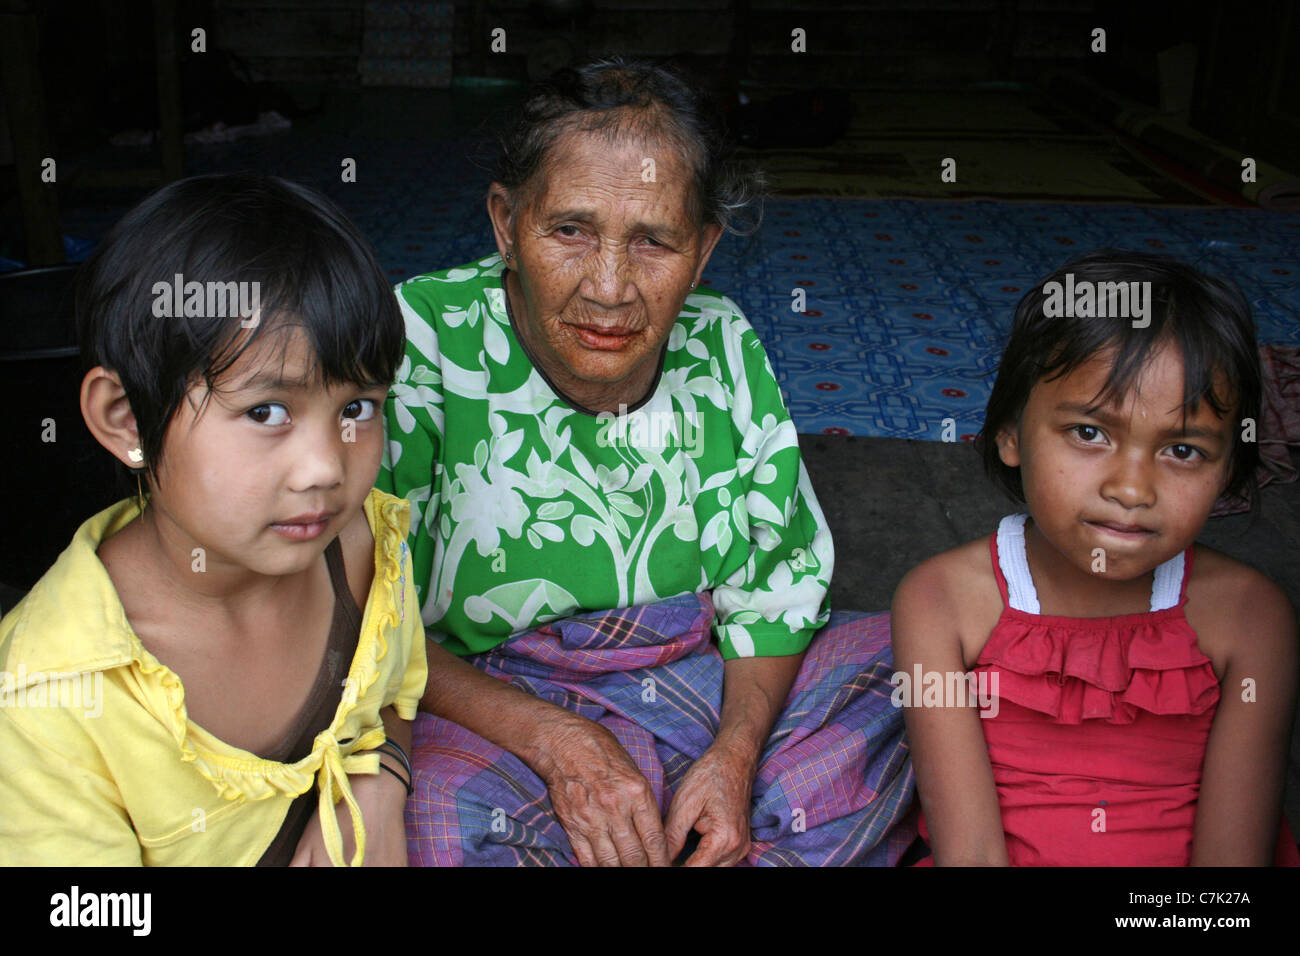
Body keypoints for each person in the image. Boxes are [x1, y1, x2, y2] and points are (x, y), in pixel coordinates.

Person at [380, 57, 916, 866]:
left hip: (696, 685)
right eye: (569, 230)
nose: (608, 288)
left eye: (653, 242)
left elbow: (773, 594)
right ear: (505, 224)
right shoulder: (418, 337)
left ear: (701, 252)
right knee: (429, 819)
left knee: (917, 668)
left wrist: (733, 758)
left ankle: (701, 826)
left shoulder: (722, 339)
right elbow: (361, 612)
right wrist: (557, 740)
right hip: (490, 706)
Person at [0, 174, 427, 866]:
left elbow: (394, 700)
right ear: (126, 418)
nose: (325, 468)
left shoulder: (362, 548)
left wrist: (380, 778)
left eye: (357, 408)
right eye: (265, 412)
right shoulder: (48, 698)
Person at [892, 249, 1299, 865]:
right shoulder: (941, 601)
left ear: (1228, 471)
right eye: (1090, 433)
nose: (1132, 489)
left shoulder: (1250, 616)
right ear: (1008, 432)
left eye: (1184, 450)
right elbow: (970, 853)